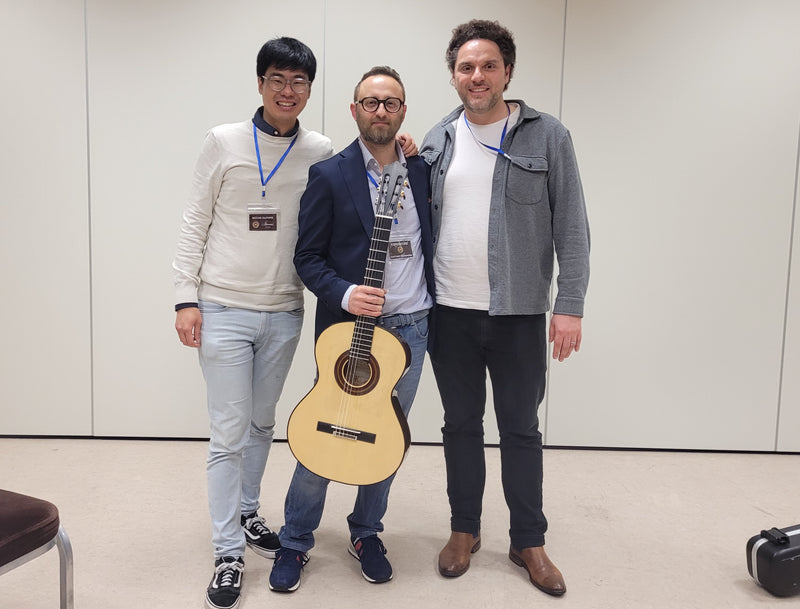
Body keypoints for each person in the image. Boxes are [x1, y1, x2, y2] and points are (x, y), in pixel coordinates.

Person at [419, 20, 590, 597]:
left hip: (518, 314)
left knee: (520, 430)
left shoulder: (548, 136)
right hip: (450, 312)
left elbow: (571, 226)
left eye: (489, 65)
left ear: (507, 72)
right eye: (466, 67)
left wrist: (569, 305)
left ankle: (528, 541)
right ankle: (463, 530)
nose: (477, 76)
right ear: (454, 75)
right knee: (460, 426)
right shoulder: (438, 139)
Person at [172, 37, 334, 609]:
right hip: (220, 306)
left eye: (298, 82)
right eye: (276, 79)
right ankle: (227, 554)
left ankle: (246, 512)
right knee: (228, 432)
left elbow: (360, 180)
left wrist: (405, 147)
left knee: (263, 424)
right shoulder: (224, 141)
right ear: (260, 83)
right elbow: (195, 218)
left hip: (284, 309)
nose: (287, 91)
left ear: (310, 89)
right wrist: (183, 297)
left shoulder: (320, 149)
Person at [268, 66, 434, 592]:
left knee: (387, 438)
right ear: (354, 109)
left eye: (391, 102)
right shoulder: (330, 175)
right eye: (370, 102)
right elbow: (308, 257)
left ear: (403, 111)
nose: (380, 111)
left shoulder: (421, 170)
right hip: (349, 329)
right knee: (323, 432)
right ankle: (295, 539)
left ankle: (366, 531)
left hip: (409, 328)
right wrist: (344, 292)